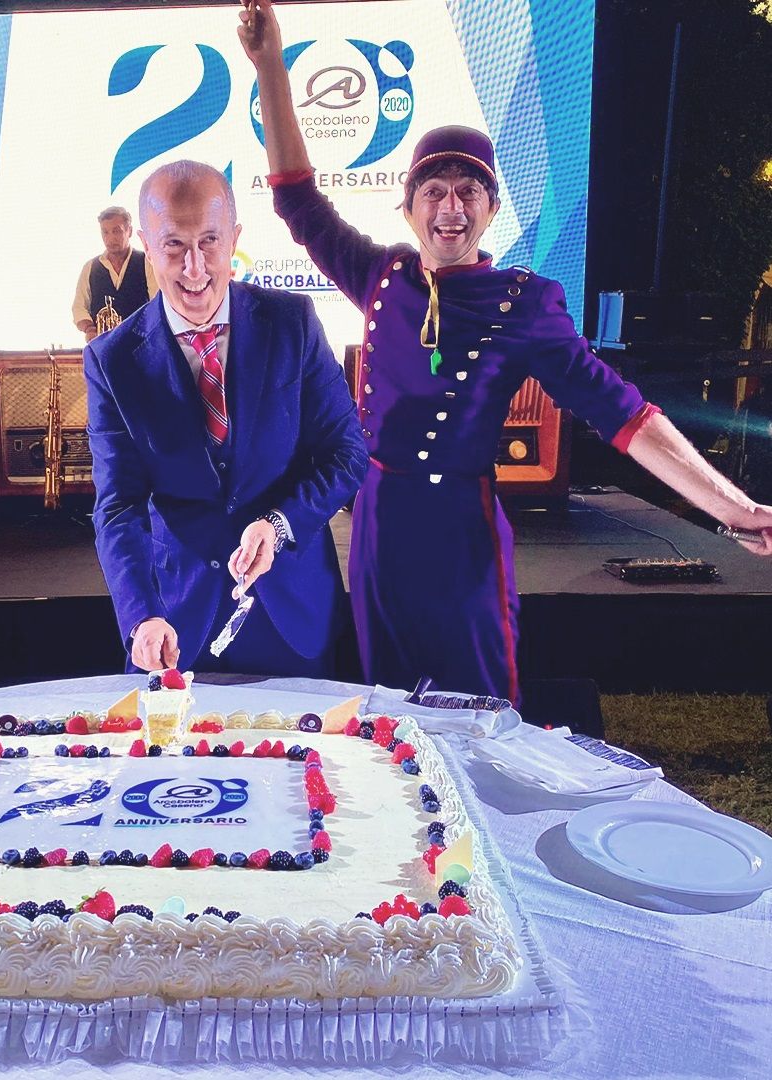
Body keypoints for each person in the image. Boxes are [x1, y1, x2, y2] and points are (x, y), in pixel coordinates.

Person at [239, 0, 772, 701]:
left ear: (492, 208)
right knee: (388, 702)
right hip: (377, 527)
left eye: (469, 192)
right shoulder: (382, 274)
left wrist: (731, 506)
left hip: (460, 535)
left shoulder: (524, 303)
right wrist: (270, 65)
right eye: (434, 191)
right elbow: (298, 200)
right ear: (409, 206)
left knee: (477, 703)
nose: (450, 207)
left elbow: (624, 414)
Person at [84, 160, 367, 676]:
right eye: (174, 245)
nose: (195, 268)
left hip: (291, 616)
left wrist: (279, 525)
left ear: (234, 238)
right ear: (147, 245)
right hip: (175, 624)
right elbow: (119, 506)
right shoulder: (112, 360)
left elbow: (346, 455)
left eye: (210, 242)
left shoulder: (294, 323)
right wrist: (140, 615)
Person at [72, 206, 158, 342]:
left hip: (141, 344)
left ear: (129, 231)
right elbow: (79, 307)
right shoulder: (90, 267)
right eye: (105, 232)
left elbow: (157, 303)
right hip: (103, 347)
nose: (110, 238)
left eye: (116, 231)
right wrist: (89, 328)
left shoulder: (147, 262)